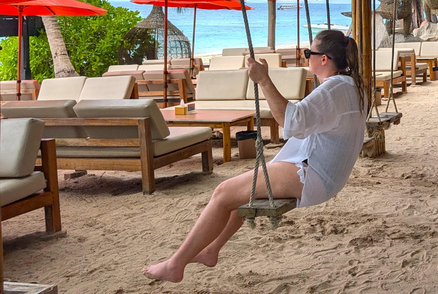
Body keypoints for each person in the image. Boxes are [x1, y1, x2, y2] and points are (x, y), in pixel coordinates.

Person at [143, 30, 367, 283]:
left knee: (223, 192)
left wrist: (264, 80)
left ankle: (175, 265)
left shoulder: (334, 90)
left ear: (324, 59)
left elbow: (289, 120)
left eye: (308, 53)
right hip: (324, 172)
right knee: (239, 195)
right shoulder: (349, 85)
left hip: (313, 173)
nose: (306, 57)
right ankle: (210, 250)